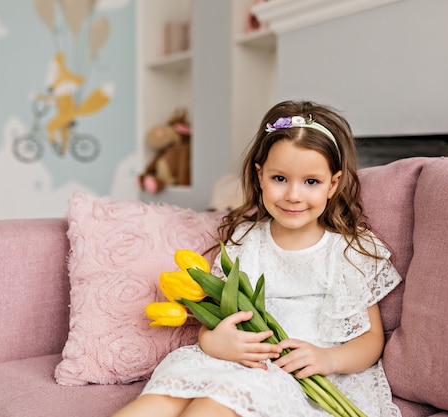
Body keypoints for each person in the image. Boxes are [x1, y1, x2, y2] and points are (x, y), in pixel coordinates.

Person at [112, 100, 402, 417]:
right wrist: (213, 342)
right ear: (260, 175)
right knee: (161, 400)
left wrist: (328, 359)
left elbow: (371, 339)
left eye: (311, 182)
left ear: (333, 183)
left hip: (301, 374)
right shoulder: (246, 241)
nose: (293, 195)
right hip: (237, 359)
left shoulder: (348, 249)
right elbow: (221, 315)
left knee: (212, 406)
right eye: (280, 179)